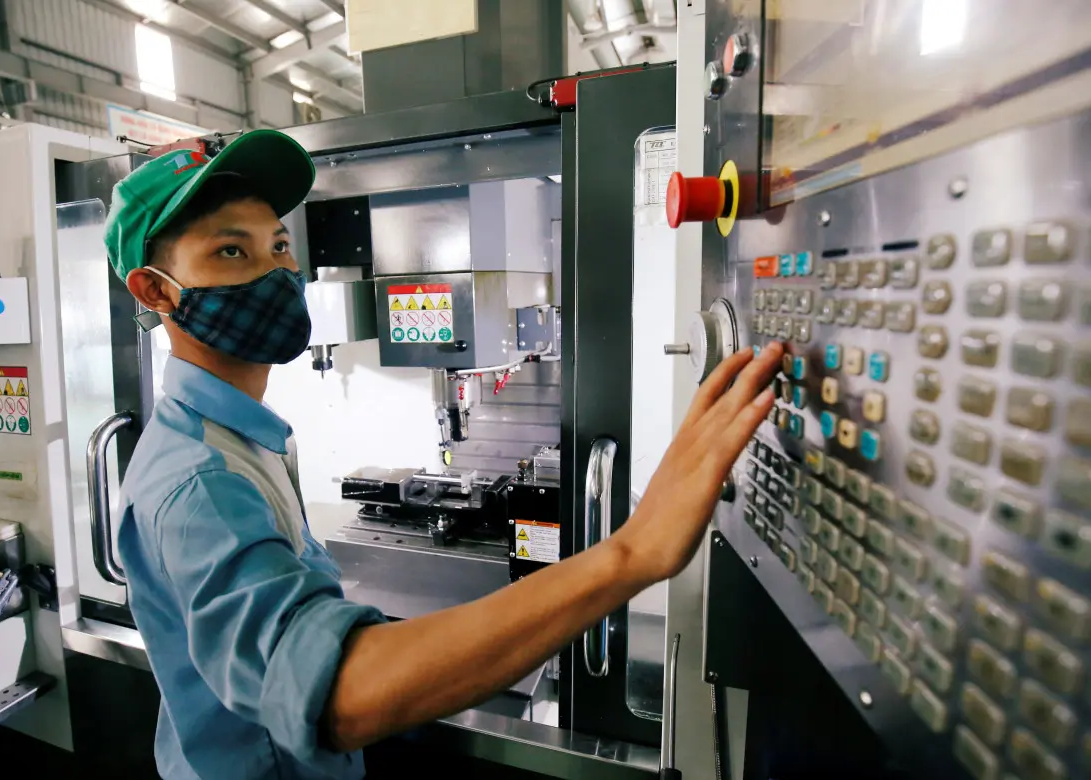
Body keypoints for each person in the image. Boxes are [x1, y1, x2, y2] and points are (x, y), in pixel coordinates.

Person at [104, 129, 782, 780]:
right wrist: (631, 554)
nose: (277, 271)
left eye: (279, 244)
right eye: (230, 252)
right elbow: (340, 695)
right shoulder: (199, 481)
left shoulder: (238, 437)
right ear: (156, 291)